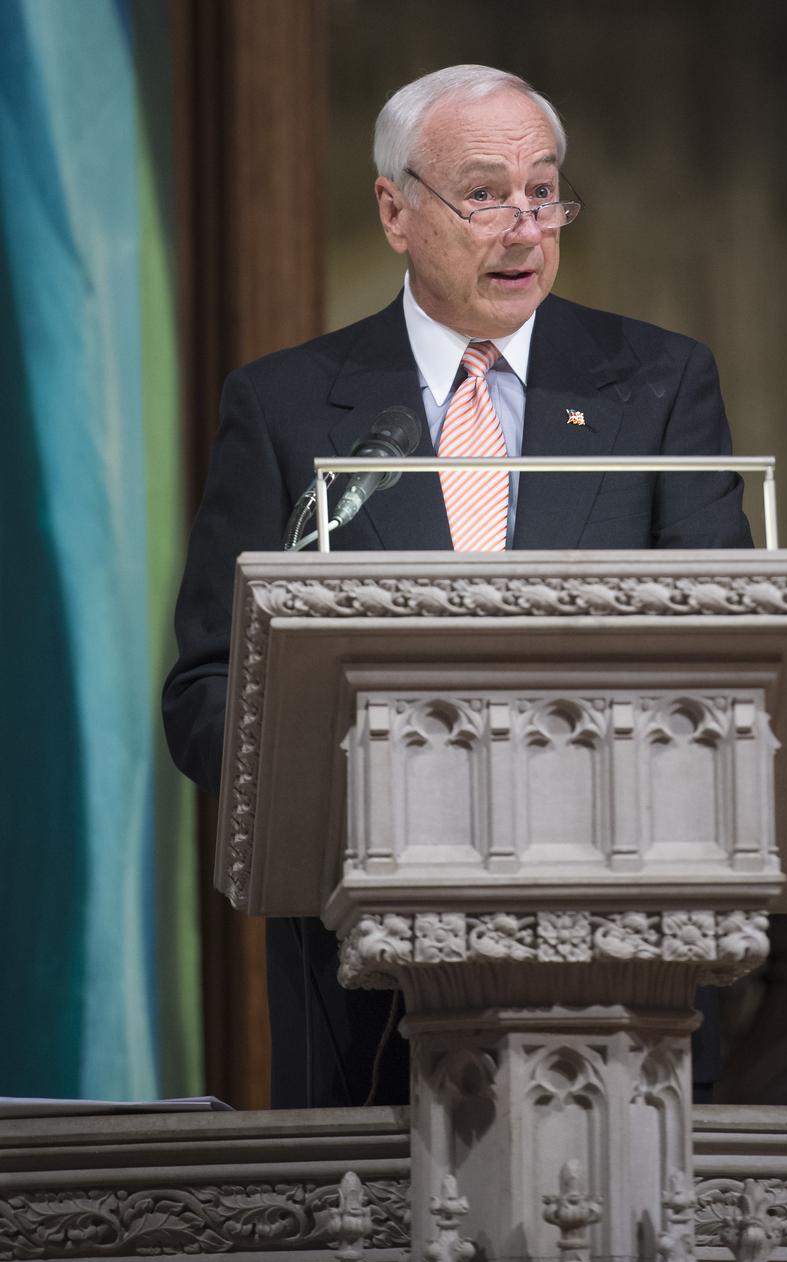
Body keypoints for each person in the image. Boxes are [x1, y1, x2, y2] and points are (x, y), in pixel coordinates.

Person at [164, 64, 753, 1108]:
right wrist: (362, 801)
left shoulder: (658, 385)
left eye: (544, 190)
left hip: (623, 956)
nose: (524, 227)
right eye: (485, 194)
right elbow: (207, 689)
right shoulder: (288, 405)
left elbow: (733, 656)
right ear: (396, 210)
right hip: (363, 970)